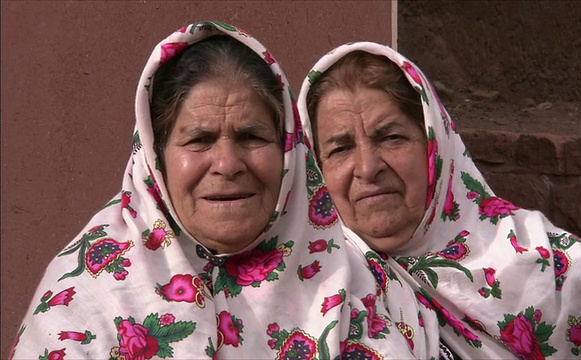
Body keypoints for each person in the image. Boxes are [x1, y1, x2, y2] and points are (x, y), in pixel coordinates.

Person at [9, 23, 437, 359]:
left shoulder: (362, 286)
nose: (229, 164)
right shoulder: (86, 298)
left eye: (252, 136)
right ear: (155, 157)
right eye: (199, 140)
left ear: (289, 149)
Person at [298, 42, 581, 359]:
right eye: (340, 149)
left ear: (436, 148)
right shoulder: (316, 282)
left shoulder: (537, 259)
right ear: (316, 167)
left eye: (391, 137)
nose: (368, 168)